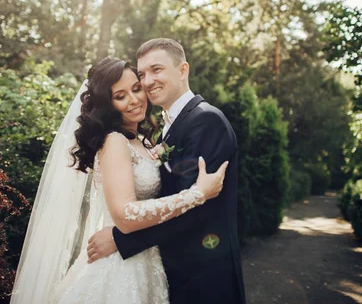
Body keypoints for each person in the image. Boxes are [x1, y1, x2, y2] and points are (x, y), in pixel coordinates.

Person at [10, 57, 228, 304]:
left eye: (136, 89)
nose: (135, 99)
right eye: (120, 96)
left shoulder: (142, 141)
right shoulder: (114, 141)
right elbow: (125, 215)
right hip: (119, 268)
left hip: (144, 258)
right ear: (107, 104)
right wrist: (196, 194)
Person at [87, 39, 246, 304]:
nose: (148, 81)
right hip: (173, 272)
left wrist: (120, 239)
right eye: (142, 74)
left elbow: (198, 208)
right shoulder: (164, 130)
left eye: (157, 69)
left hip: (204, 278)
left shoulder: (206, 120)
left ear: (183, 70)